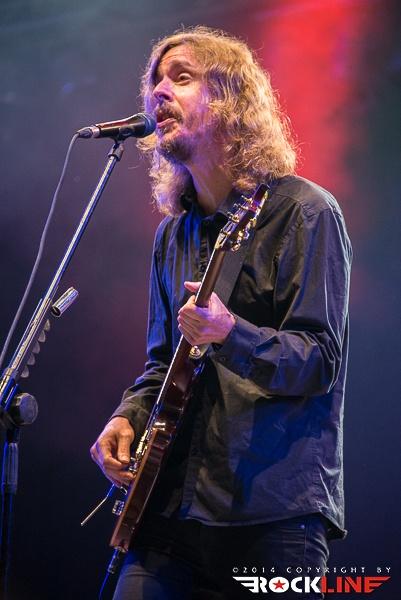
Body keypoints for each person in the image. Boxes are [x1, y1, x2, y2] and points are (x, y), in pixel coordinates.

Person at [90, 26, 352, 599]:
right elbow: (163, 364)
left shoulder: (305, 212)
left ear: (231, 100)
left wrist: (231, 334)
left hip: (272, 514)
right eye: (154, 82)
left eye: (181, 77)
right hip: (169, 508)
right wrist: (127, 415)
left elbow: (320, 360)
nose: (159, 92)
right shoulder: (173, 235)